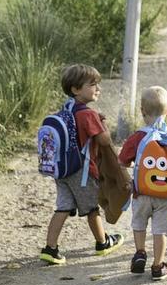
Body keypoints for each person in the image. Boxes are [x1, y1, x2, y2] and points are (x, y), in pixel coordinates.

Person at [39, 64, 124, 264]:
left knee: (62, 208)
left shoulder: (66, 108)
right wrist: (102, 124)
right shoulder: (88, 114)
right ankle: (103, 242)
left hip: (62, 170)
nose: (98, 89)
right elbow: (104, 140)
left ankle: (50, 248)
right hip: (82, 171)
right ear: (76, 89)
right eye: (92, 85)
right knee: (91, 209)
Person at [118, 86, 167, 281]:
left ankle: (140, 252)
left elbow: (122, 161)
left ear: (142, 110)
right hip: (166, 195)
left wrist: (130, 177)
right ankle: (158, 266)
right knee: (160, 231)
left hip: (141, 192)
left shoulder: (138, 136)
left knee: (139, 223)